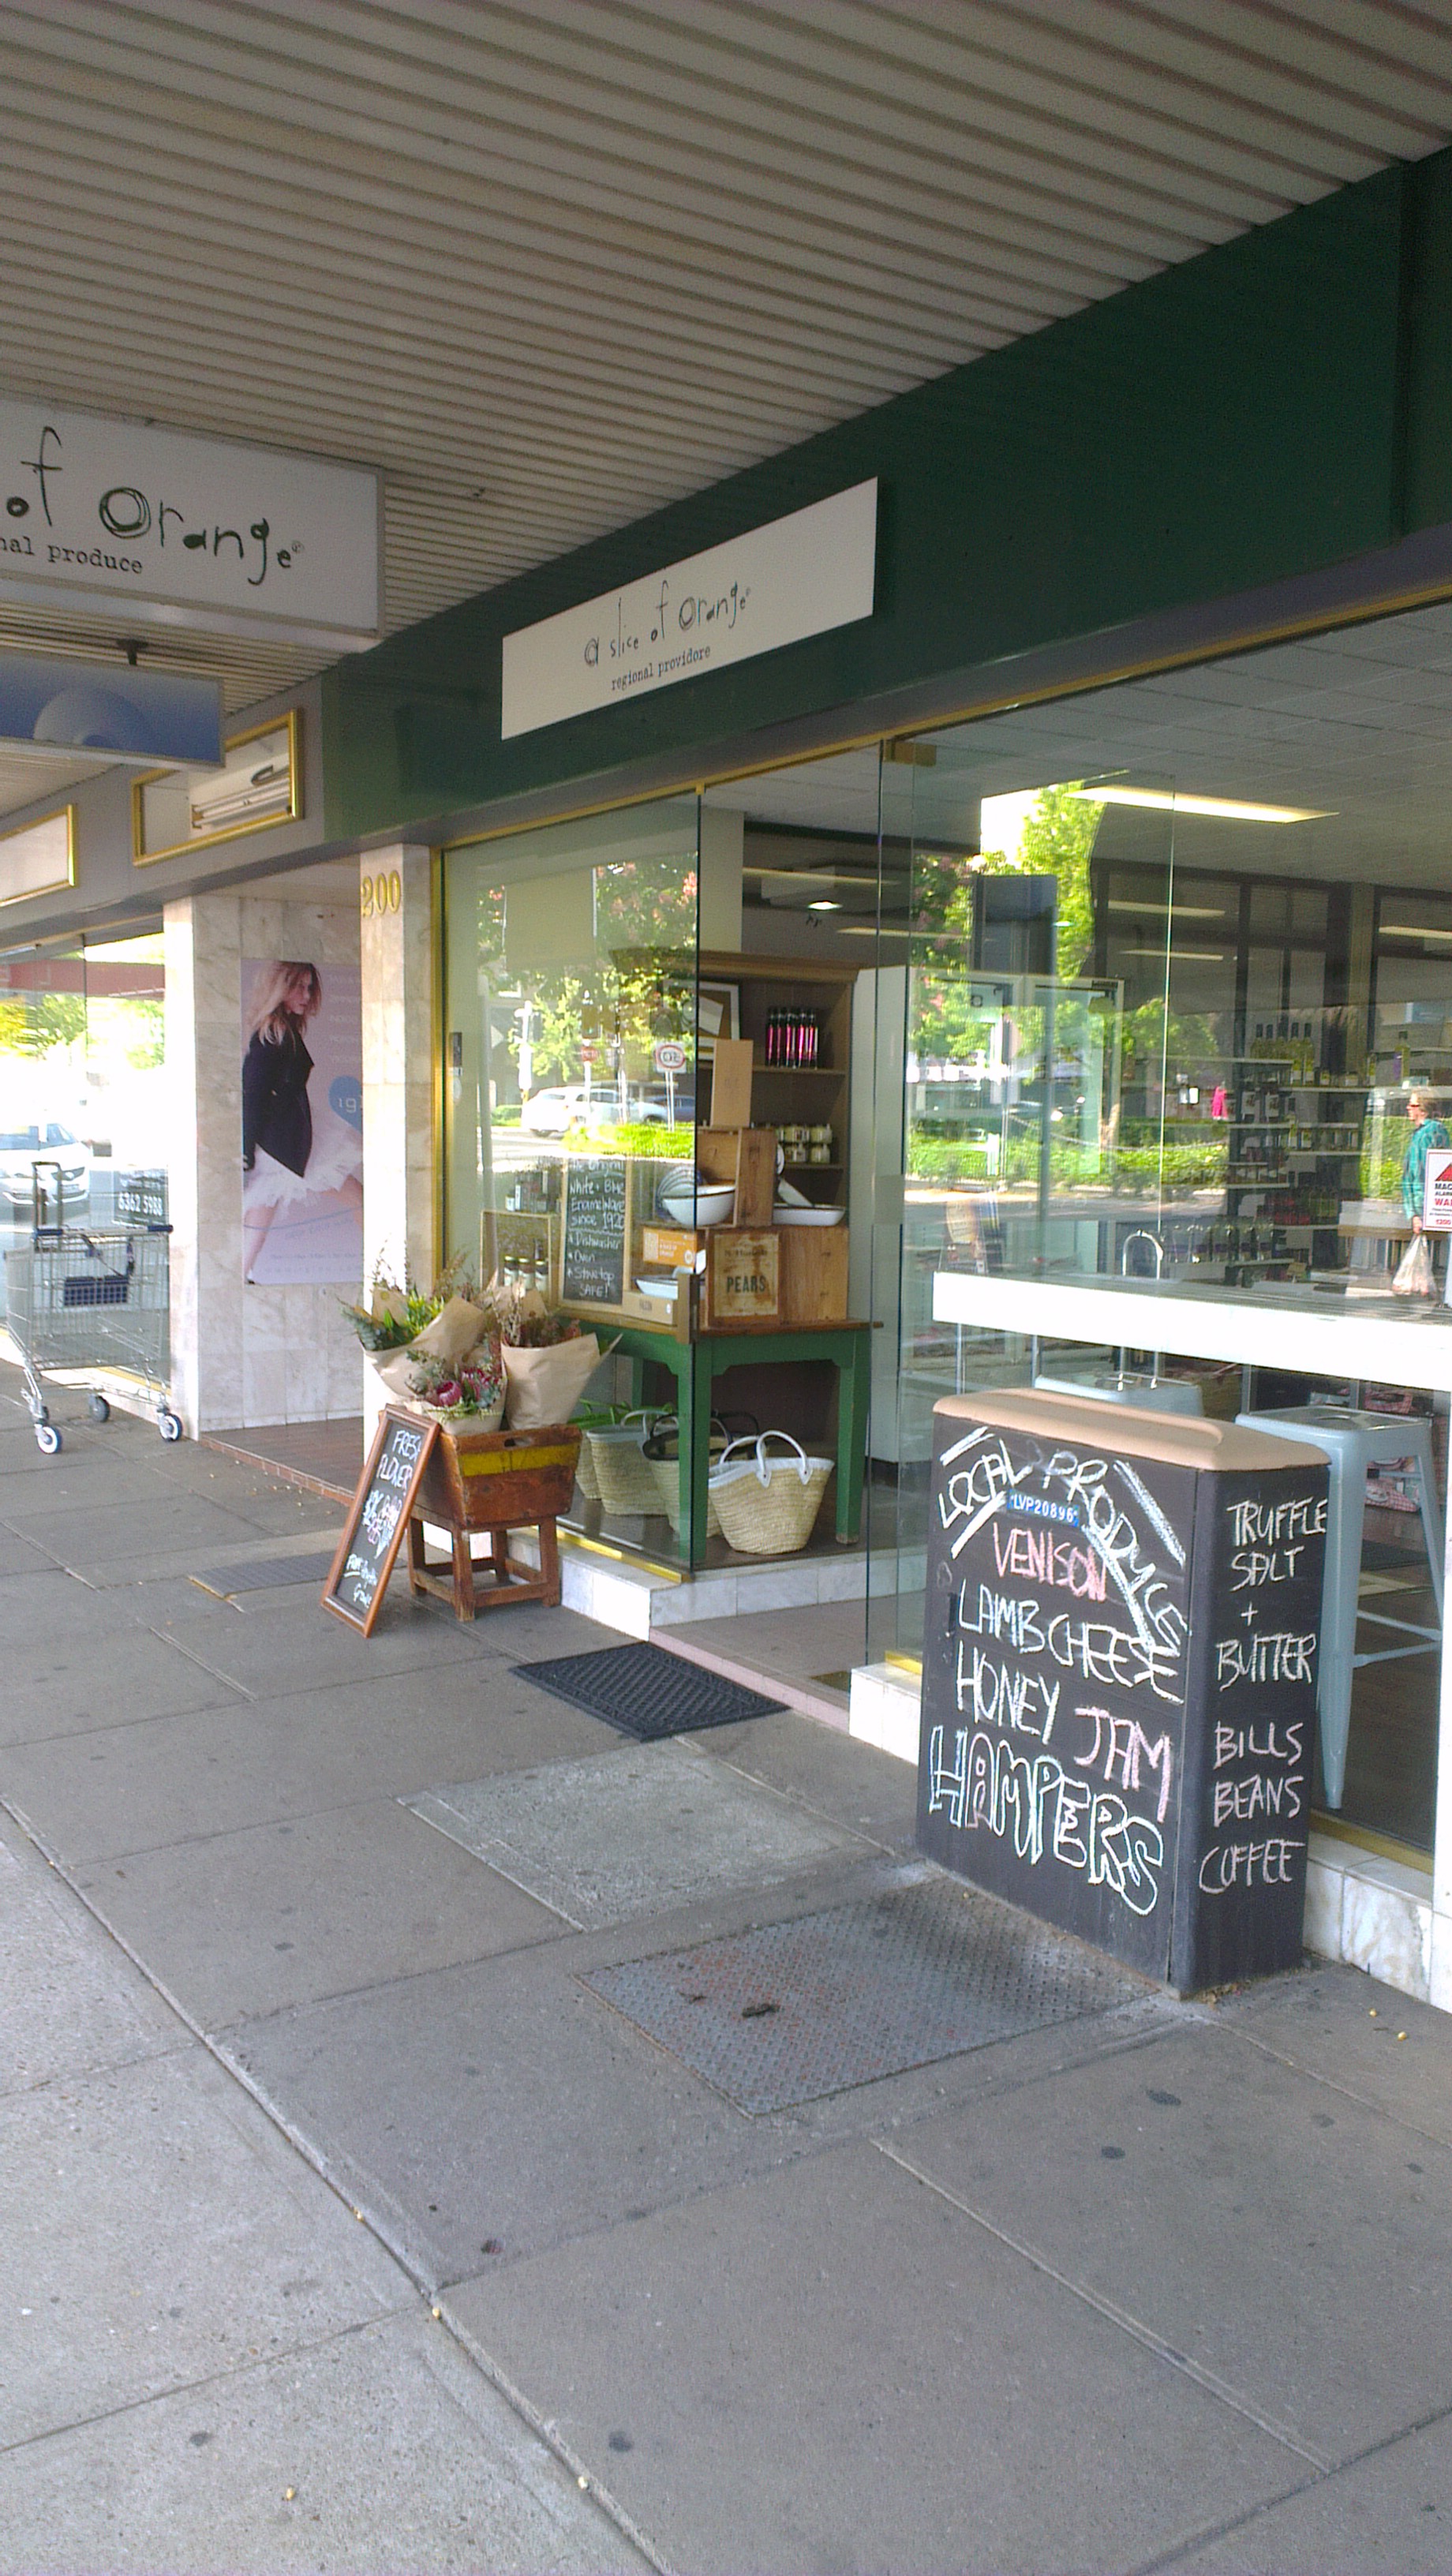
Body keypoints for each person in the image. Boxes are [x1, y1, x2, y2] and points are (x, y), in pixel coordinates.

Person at [241, 960, 362, 1280]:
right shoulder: (272, 1033)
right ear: (281, 987)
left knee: (259, 1219)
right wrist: (246, 1150)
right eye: (299, 987)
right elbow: (252, 1095)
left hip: (286, 1141)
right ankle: (385, 1272)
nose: (306, 996)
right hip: (283, 1146)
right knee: (359, 1198)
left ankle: (239, 1277)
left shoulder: (282, 1030)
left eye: (309, 988)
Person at [1401, 1088, 1450, 1235]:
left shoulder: (1427, 1134)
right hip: (1428, 1212)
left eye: (1412, 1105)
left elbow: (1422, 1176)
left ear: (1423, 1110)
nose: (1408, 1108)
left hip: (1426, 1213)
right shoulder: (1423, 1133)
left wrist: (1417, 1213)